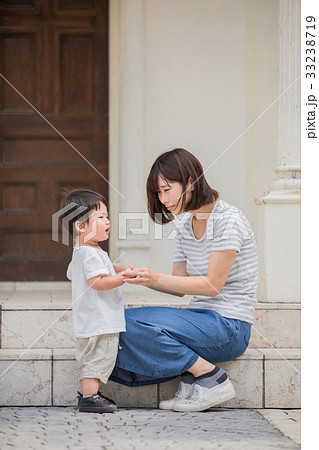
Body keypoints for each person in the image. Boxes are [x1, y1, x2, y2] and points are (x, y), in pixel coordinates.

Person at [110, 148, 258, 412]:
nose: (162, 199)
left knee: (131, 323)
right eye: (158, 192)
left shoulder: (227, 220)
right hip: (202, 319)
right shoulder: (185, 223)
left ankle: (210, 377)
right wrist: (139, 276)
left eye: (167, 189)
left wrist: (153, 276)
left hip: (230, 327)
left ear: (190, 182)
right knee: (120, 320)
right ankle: (194, 377)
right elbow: (179, 285)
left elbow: (212, 286)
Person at [60, 189, 128, 413]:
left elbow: (76, 273)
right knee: (98, 359)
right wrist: (121, 278)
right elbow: (98, 282)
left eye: (107, 216)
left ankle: (90, 394)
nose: (107, 221)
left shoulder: (84, 251)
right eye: (100, 217)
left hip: (90, 320)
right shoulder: (90, 253)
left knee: (92, 358)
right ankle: (90, 397)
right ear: (81, 226)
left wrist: (116, 269)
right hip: (101, 320)